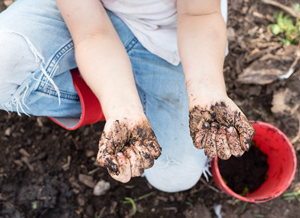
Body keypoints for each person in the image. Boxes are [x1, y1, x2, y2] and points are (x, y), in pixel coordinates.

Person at [0, 0, 254, 192]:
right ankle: (110, 100)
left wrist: (207, 90)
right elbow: (92, 33)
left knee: (176, 174)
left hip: (173, 35)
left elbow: (200, 14)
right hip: (85, 20)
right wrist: (120, 108)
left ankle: (129, 94)